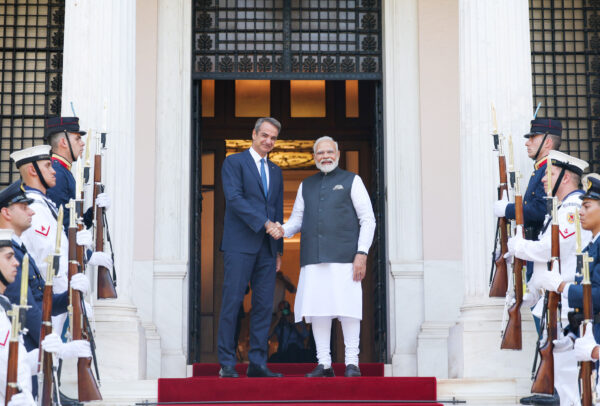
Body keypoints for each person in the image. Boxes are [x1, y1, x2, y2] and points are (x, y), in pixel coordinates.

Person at [274, 136, 376, 378]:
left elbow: (368, 219)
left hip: (346, 258)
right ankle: (324, 363)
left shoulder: (353, 180)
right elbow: (297, 220)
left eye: (330, 152)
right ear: (314, 156)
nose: (325, 156)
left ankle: (352, 363)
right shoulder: (305, 185)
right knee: (318, 310)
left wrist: (362, 253)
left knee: (349, 310)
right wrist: (282, 230)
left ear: (338, 155)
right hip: (313, 258)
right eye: (320, 153)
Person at [506, 151, 590, 405]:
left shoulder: (572, 210)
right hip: (553, 300)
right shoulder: (561, 209)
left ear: (566, 179)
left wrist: (518, 247)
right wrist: (528, 293)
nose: (543, 180)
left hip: (565, 302)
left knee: (566, 379)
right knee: (560, 377)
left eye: (550, 174)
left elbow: (550, 250)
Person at [9, 146, 111, 335]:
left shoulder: (44, 205)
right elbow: (50, 263)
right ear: (33, 170)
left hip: (58, 304)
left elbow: (60, 249)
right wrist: (71, 301)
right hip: (50, 305)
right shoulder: (35, 209)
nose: (54, 170)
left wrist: (87, 253)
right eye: (48, 166)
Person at [217, 117, 284, 378]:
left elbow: (277, 209)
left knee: (264, 305)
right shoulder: (234, 162)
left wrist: (278, 250)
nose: (268, 141)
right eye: (264, 135)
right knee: (233, 302)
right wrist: (265, 223)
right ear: (254, 135)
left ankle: (257, 363)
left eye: (273, 138)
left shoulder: (276, 171)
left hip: (267, 250)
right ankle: (227, 363)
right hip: (239, 245)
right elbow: (234, 199)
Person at [0, 181, 89, 352]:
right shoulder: (7, 253)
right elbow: (25, 307)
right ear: (6, 213)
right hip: (25, 350)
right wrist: (53, 348)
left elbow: (41, 300)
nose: (32, 211)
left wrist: (71, 294)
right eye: (24, 207)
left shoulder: (18, 249)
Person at [495, 118, 563, 282]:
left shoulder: (549, 170)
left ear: (547, 143)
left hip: (542, 254)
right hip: (534, 251)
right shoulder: (540, 169)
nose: (527, 143)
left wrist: (508, 209)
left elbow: (539, 211)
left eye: (533, 138)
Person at [43, 117, 110, 230]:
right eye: (77, 139)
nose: (82, 143)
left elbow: (75, 220)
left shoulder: (62, 170)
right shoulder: (57, 173)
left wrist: (95, 210)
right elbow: (63, 224)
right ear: (64, 142)